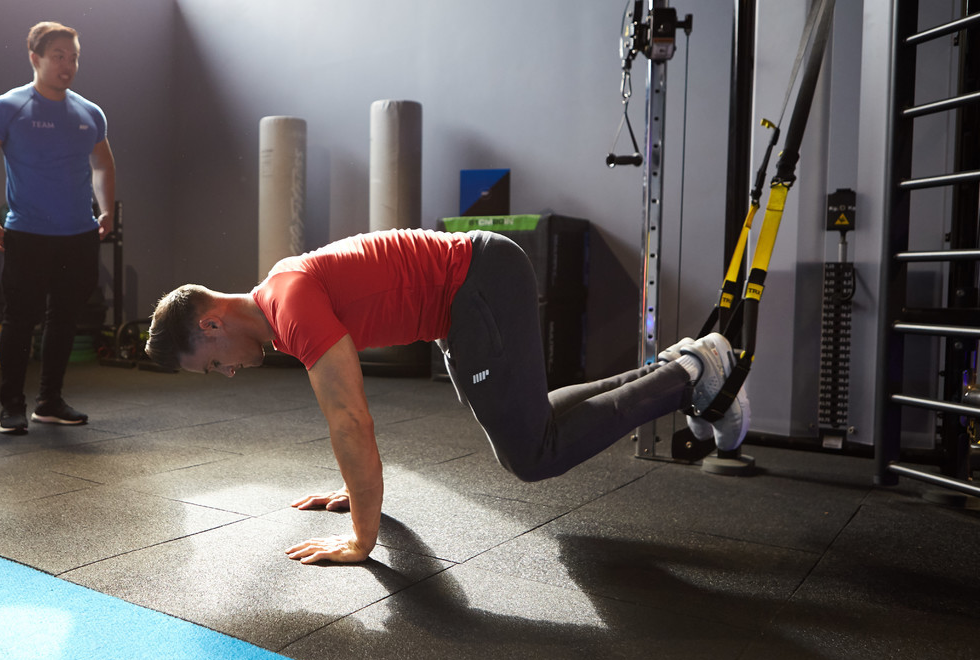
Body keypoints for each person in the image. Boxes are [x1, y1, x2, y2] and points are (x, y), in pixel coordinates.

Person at [145, 229, 750, 564]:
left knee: (532, 455)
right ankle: (682, 365)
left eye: (211, 366)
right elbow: (348, 419)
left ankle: (693, 371)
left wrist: (362, 537)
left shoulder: (290, 305)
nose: (226, 374)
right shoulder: (279, 298)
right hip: (465, 293)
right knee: (528, 427)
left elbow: (352, 421)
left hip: (475, 283)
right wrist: (355, 490)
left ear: (210, 327)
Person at [0, 21, 117, 434]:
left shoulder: (90, 112)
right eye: (58, 57)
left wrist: (106, 211)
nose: (67, 65)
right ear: (35, 59)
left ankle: (49, 401)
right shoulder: (6, 107)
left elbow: (102, 164)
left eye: (73, 58)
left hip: (79, 236)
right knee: (20, 319)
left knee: (65, 318)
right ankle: (11, 405)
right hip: (28, 233)